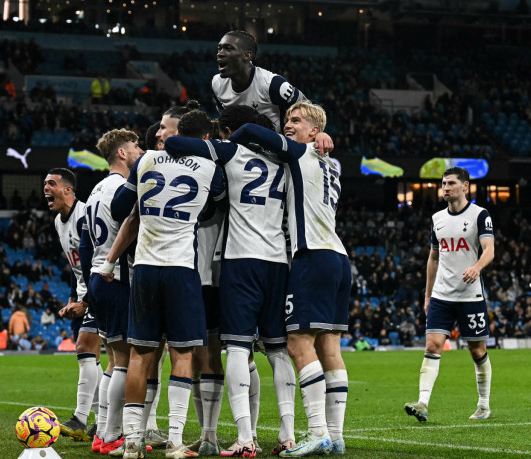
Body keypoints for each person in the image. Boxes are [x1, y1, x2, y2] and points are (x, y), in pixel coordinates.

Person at [164, 105, 298, 456]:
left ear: (228, 130)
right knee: (278, 351)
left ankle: (245, 438)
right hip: (278, 261)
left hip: (240, 261)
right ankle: (288, 435)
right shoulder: (286, 161)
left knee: (236, 347)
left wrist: (230, 141)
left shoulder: (231, 150)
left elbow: (177, 145)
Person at [228, 102, 349, 456]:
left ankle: (317, 431)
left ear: (314, 131)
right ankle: (336, 437)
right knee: (329, 347)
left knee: (297, 343)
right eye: (286, 121)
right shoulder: (331, 165)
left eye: (295, 121)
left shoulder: (301, 152)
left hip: (312, 256)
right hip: (339, 258)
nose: (287, 126)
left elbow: (250, 132)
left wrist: (228, 146)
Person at [106, 108, 226, 459]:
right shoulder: (208, 166)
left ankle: (131, 442)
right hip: (181, 269)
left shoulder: (145, 161)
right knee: (183, 354)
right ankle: (174, 442)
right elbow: (214, 206)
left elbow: (120, 208)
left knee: (141, 355)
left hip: (144, 266)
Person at [404, 166, 495, 423]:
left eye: (451, 183)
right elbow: (433, 258)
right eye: (444, 183)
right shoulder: (437, 219)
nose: (446, 187)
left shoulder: (480, 215)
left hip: (470, 296)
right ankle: (422, 402)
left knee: (477, 351)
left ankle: (484, 405)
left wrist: (477, 267)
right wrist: (427, 295)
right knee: (432, 345)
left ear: (465, 187)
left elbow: (489, 249)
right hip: (442, 295)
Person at [79, 129, 144, 454]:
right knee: (124, 360)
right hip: (116, 277)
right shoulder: (122, 188)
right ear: (122, 153)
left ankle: (103, 435)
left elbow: (85, 242)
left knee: (113, 359)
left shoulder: (95, 190)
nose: (140, 149)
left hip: (97, 278)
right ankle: (112, 434)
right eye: (135, 146)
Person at [44, 167, 103, 441]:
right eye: (45, 184)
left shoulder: (85, 215)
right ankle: (102, 422)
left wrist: (88, 301)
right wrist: (72, 297)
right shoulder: (58, 221)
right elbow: (74, 264)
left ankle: (80, 419)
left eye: (51, 183)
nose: (46, 188)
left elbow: (97, 261)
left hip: (99, 292)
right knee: (91, 359)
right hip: (82, 294)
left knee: (84, 348)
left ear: (68, 189)